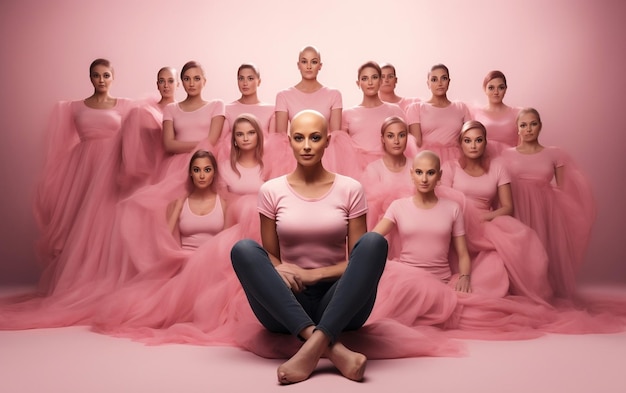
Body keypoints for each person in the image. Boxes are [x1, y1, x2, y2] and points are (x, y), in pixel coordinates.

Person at [230, 110, 388, 384]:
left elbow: (358, 261)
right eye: (299, 138)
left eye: (315, 138)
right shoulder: (271, 190)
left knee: (374, 242)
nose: (306, 146)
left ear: (327, 141)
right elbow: (272, 259)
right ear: (289, 141)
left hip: (341, 301)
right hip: (288, 303)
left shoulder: (350, 188)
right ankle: (332, 348)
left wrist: (313, 275)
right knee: (243, 249)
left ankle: (312, 347)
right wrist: (282, 272)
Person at [34, 58, 133, 295]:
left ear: (113, 77)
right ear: (90, 78)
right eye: (96, 75)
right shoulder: (73, 107)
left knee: (109, 222)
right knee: (81, 222)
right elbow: (60, 144)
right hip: (82, 169)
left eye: (106, 75)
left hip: (112, 168)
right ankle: (78, 280)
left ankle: (107, 278)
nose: (101, 80)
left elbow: (135, 138)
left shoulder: (125, 105)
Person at [441, 120, 552, 303]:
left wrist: (484, 217)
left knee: (512, 247)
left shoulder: (498, 167)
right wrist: (467, 220)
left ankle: (482, 292)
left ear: (485, 142)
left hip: (486, 224)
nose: (473, 145)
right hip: (458, 225)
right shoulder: (450, 167)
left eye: (478, 140)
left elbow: (508, 207)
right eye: (468, 140)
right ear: (460, 143)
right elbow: (444, 203)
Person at [501, 108, 595, 298]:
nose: (528, 129)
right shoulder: (506, 155)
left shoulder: (554, 154)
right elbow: (501, 185)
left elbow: (563, 191)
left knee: (544, 251)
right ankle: (521, 289)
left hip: (546, 211)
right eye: (523, 125)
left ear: (540, 126)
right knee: (522, 249)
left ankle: (543, 291)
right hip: (518, 208)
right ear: (517, 129)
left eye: (533, 124)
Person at [119, 66, 179, 194]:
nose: (166, 85)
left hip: (175, 168)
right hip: (151, 171)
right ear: (157, 85)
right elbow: (135, 147)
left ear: (178, 84)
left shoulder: (183, 110)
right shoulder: (144, 112)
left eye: (170, 81)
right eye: (162, 81)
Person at [161, 61, 225, 178]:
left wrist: (180, 145)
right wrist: (202, 143)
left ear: (204, 81)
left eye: (196, 78)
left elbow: (211, 141)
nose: (191, 84)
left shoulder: (217, 105)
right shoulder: (170, 109)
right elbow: (169, 145)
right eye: (187, 79)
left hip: (207, 163)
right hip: (177, 167)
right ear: (181, 82)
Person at [341, 61, 414, 161]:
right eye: (365, 78)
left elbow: (406, 144)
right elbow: (342, 150)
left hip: (388, 168)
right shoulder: (347, 114)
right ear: (358, 83)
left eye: (374, 77)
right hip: (356, 169)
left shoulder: (395, 110)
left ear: (380, 81)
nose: (370, 83)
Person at [406, 64, 471, 163]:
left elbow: (469, 139)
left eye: (443, 78)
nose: (439, 83)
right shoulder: (416, 108)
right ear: (428, 83)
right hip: (427, 161)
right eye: (434, 79)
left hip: (457, 161)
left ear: (449, 81)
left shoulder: (461, 107)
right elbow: (415, 145)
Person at [359, 116, 414, 232]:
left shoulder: (416, 166)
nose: (396, 141)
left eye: (401, 135)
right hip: (383, 231)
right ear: (382, 139)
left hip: (412, 227)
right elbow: (369, 212)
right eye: (390, 136)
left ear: (407, 138)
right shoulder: (373, 170)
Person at [167, 150, 225, 250]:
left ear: (214, 172)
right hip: (185, 260)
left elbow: (227, 244)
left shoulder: (224, 204)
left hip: (214, 261)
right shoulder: (179, 203)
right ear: (190, 173)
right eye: (196, 170)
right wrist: (177, 208)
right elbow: (167, 241)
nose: (202, 176)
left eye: (207, 170)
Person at [215, 64, 275, 160]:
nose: (245, 83)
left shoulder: (271, 110)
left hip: (264, 164)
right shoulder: (227, 109)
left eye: (250, 78)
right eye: (241, 78)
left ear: (259, 82)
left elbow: (274, 146)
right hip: (234, 164)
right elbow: (221, 145)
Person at [470, 70, 520, 152]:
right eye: (491, 88)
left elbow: (523, 146)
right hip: (482, 161)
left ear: (506, 89)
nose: (496, 92)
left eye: (500, 88)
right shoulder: (475, 114)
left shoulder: (517, 113)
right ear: (484, 89)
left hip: (511, 161)